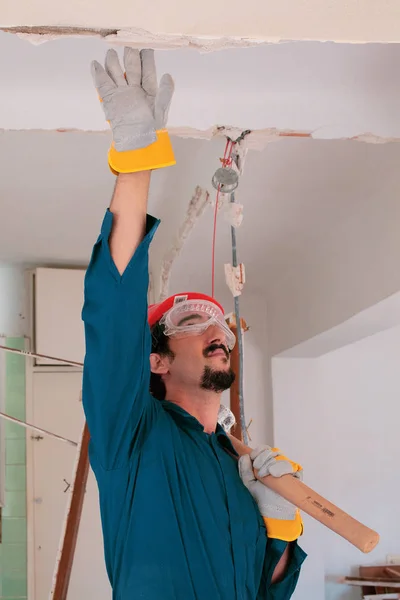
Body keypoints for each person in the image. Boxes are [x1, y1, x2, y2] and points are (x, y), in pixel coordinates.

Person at [82, 47, 306, 600]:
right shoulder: (131, 434)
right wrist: (136, 164)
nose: (218, 332)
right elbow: (113, 319)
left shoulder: (236, 465)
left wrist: (278, 525)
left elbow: (265, 591)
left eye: (220, 325)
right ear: (155, 359)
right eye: (190, 320)